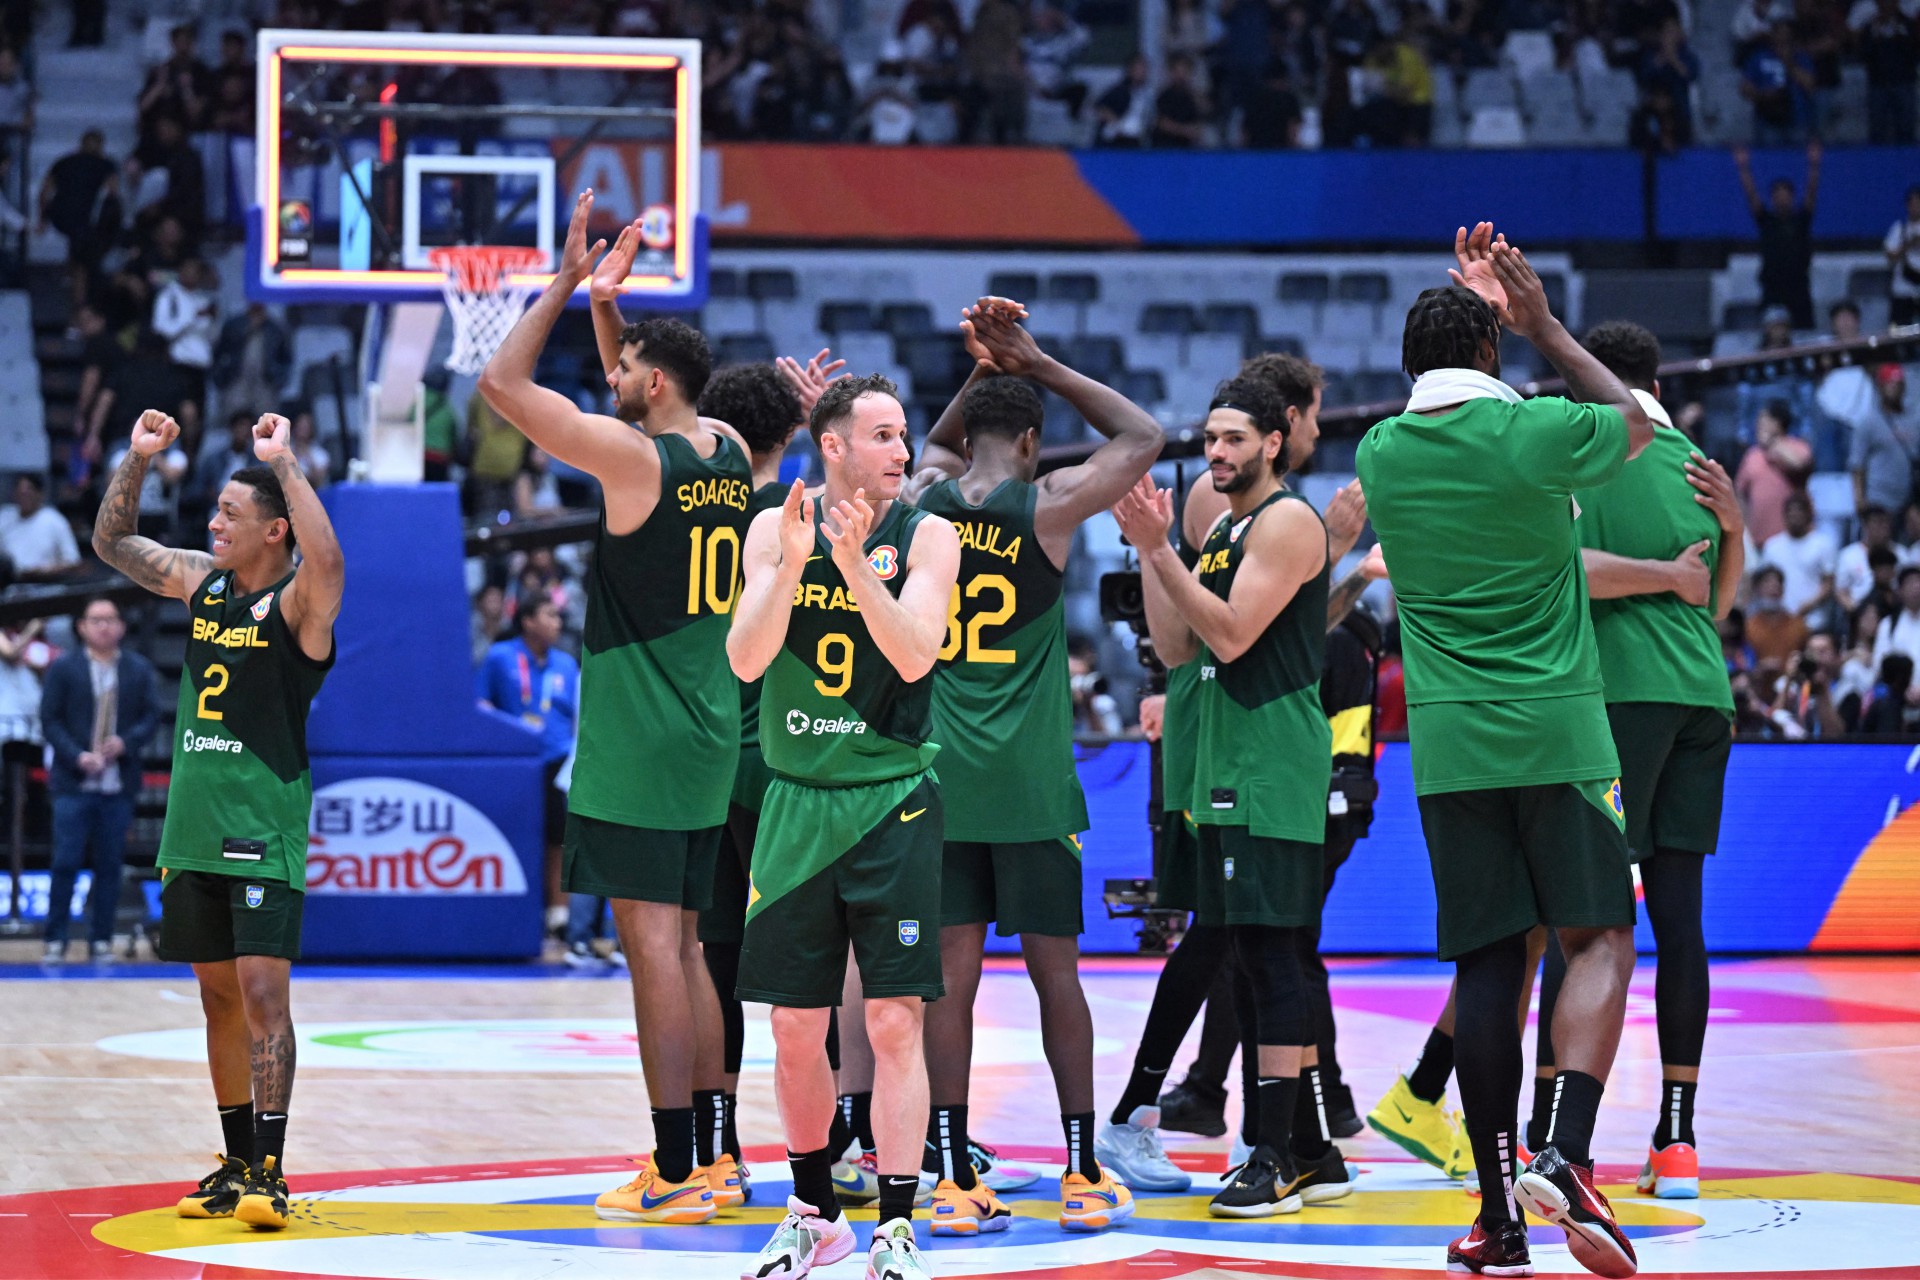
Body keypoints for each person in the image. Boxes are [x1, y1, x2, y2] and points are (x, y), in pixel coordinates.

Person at [1355, 224, 1651, 1276]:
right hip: (1563, 732)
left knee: (1488, 965)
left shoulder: (1380, 452)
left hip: (1451, 747)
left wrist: (1485, 330)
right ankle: (1564, 1152)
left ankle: (1498, 1212)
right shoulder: (1534, 435)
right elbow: (1637, 421)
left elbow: (1454, 410)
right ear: (1490, 360)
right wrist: (1539, 323)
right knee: (1598, 938)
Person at [478, 194, 750, 1225]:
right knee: (689, 947)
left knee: (653, 952)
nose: (614, 377)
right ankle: (718, 1154)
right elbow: (634, 392)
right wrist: (612, 310)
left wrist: (560, 279)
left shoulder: (633, 462)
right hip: (709, 728)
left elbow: (502, 382)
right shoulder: (721, 445)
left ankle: (674, 1166)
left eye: (627, 366)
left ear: (656, 380)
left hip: (640, 733)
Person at [908, 298, 1161, 1233]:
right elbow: (1143, 433)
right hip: (1029, 787)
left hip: (937, 783)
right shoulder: (1047, 507)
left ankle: (947, 1170)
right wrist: (1034, 360)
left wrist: (982, 367)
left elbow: (936, 446)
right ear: (1032, 445)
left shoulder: (920, 497)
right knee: (1060, 978)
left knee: (948, 982)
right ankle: (1083, 1165)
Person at [729, 373, 960, 1280]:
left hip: (890, 801)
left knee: (895, 1019)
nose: (903, 453)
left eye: (904, 437)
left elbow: (914, 652)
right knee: (793, 1026)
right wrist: (792, 563)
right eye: (883, 436)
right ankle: (813, 1212)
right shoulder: (768, 525)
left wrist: (856, 562)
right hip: (795, 800)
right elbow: (746, 659)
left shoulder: (928, 532)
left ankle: (897, 1225)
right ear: (832, 446)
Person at [94, 408, 342, 1230]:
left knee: (266, 994)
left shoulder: (300, 603)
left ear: (274, 530)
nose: (213, 524)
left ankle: (270, 1171)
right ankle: (235, 1165)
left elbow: (330, 557)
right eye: (214, 514)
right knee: (217, 1000)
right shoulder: (202, 580)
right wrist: (135, 458)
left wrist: (285, 461)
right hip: (193, 826)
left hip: (261, 823)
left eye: (229, 515)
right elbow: (113, 543)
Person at [1112, 362, 1343, 1221]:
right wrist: (1149, 551)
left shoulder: (1284, 523)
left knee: (1273, 955)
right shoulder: (1227, 530)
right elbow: (1178, 648)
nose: (1214, 451)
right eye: (1208, 438)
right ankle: (1310, 1150)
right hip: (1221, 762)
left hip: (1268, 764)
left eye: (1233, 438)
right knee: (1246, 954)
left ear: (1273, 443)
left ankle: (1275, 1150)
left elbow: (1236, 637)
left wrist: (1161, 549)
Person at [1555, 320, 1743, 1202]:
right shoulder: (1700, 461)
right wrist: (1731, 536)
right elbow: (1715, 605)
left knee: (1586, 917)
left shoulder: (1595, 453)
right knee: (1681, 918)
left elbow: (1568, 573)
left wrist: (1659, 577)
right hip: (1706, 701)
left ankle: (1562, 1140)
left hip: (1624, 696)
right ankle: (1677, 1142)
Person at [688, 356, 813, 1206]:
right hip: (789, 755)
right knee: (821, 958)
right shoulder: (801, 515)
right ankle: (847, 1135)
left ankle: (717, 1152)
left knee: (716, 958)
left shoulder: (693, 507)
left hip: (711, 752)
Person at [39, 597, 160, 966]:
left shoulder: (138, 669)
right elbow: (50, 720)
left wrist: (125, 743)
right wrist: (78, 755)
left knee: (109, 866)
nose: (104, 626)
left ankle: (101, 940)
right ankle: (56, 939)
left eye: (111, 619)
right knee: (65, 862)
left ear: (122, 626)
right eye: (96, 620)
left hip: (117, 786)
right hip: (73, 784)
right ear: (82, 627)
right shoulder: (64, 668)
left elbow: (151, 716)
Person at [476, 596, 579, 956]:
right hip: (514, 763)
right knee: (515, 835)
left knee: (559, 840)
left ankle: (559, 917)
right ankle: (515, 911)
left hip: (559, 763)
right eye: (549, 615)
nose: (558, 622)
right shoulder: (500, 656)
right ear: (528, 621)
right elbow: (481, 705)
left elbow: (579, 714)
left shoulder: (567, 664)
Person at [1734, 141, 1820, 329]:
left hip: (1798, 287)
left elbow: (1811, 193)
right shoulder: (1766, 221)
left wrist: (1814, 165)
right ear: (1772, 199)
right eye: (1778, 195)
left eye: (1786, 195)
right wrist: (1743, 167)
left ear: (1792, 197)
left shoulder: (1801, 220)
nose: (1782, 199)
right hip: (1773, 289)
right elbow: (1751, 196)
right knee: (1771, 333)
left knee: (1805, 334)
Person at [35, 128, 119, 271]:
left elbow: (44, 193)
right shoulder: (106, 165)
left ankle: (75, 270)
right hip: (87, 219)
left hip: (60, 215)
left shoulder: (63, 162)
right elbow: (112, 193)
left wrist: (42, 220)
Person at [1736, 399, 1813, 546]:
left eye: (1764, 420)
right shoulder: (1752, 455)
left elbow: (1799, 465)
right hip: (1758, 539)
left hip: (1793, 539)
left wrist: (1773, 444)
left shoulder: (1798, 447)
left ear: (1777, 423)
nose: (1758, 425)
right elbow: (1740, 493)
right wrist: (1744, 528)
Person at [1849, 365, 1920, 518]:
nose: (1894, 388)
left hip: (1909, 499)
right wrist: (1859, 499)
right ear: (1880, 387)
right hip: (1879, 498)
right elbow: (1857, 464)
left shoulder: (1914, 420)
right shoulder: (1868, 422)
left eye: (1898, 384)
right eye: (1890, 383)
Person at [1761, 492, 1838, 619]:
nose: (1794, 515)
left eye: (1799, 511)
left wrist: (1808, 605)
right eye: (1790, 511)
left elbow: (1829, 583)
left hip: (1813, 618)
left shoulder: (1823, 544)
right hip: (1778, 619)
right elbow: (1764, 583)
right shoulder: (1772, 546)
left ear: (1808, 514)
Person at [0, 474, 81, 584]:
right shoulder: (5, 516)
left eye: (28, 494)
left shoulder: (55, 520)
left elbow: (73, 561)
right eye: (20, 494)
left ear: (40, 494)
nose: (24, 498)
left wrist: (45, 570)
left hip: (44, 584)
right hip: (8, 583)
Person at [1837, 506, 1912, 612]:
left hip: (1896, 610)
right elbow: (1841, 591)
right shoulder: (1848, 555)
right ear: (1865, 525)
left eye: (1885, 523)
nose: (1882, 527)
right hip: (1859, 612)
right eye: (1877, 523)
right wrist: (1858, 614)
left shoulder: (1902, 554)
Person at [1745, 564, 1809, 662]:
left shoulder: (1799, 626)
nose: (1773, 588)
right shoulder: (1748, 628)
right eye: (1767, 583)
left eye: (1777, 584)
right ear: (1756, 589)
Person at [1151, 54, 1208, 147]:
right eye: (1179, 71)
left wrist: (1196, 95)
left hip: (1187, 148)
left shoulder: (1192, 96)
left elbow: (1204, 113)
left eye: (1185, 71)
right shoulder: (1164, 95)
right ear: (1172, 72)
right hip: (1165, 146)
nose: (1182, 75)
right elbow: (1163, 124)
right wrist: (1185, 131)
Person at [1872, 564, 1920, 671]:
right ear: (1900, 590)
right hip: (1900, 685)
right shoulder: (1888, 624)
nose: (1916, 587)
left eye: (1918, 582)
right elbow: (1879, 662)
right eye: (1910, 583)